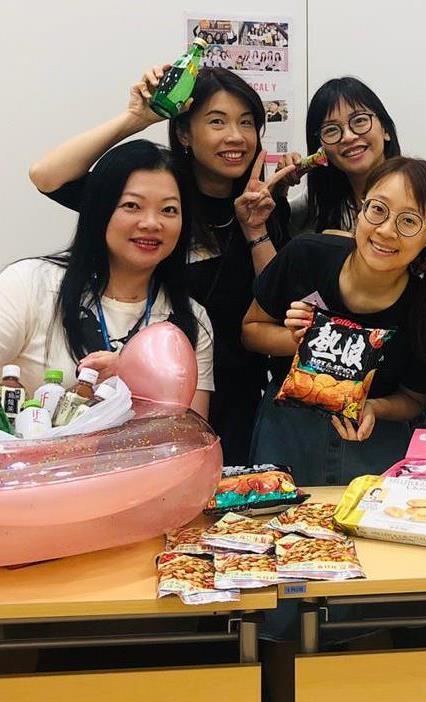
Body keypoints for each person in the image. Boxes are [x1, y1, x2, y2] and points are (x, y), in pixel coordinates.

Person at [28, 66, 295, 463]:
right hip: (149, 395)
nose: (235, 137)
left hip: (239, 397)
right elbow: (46, 175)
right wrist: (137, 118)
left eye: (246, 123)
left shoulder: (265, 205)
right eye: (217, 121)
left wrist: (256, 229)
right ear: (184, 133)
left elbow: (278, 304)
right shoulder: (156, 203)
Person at [243, 157, 426, 484]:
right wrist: (296, 340)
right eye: (378, 209)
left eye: (409, 221)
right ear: (360, 208)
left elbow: (413, 399)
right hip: (288, 429)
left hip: (374, 440)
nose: (386, 230)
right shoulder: (307, 255)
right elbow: (251, 330)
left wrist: (375, 407)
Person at [1, 140, 213, 413]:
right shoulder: (30, 284)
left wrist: (135, 375)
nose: (151, 223)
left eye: (169, 209)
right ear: (100, 211)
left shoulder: (190, 321)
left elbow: (189, 433)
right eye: (132, 205)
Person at [274, 77, 401, 236]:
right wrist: (280, 187)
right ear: (321, 147)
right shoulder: (320, 201)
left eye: (359, 120)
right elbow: (277, 232)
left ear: (385, 130)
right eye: (331, 130)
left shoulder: (417, 191)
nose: (348, 137)